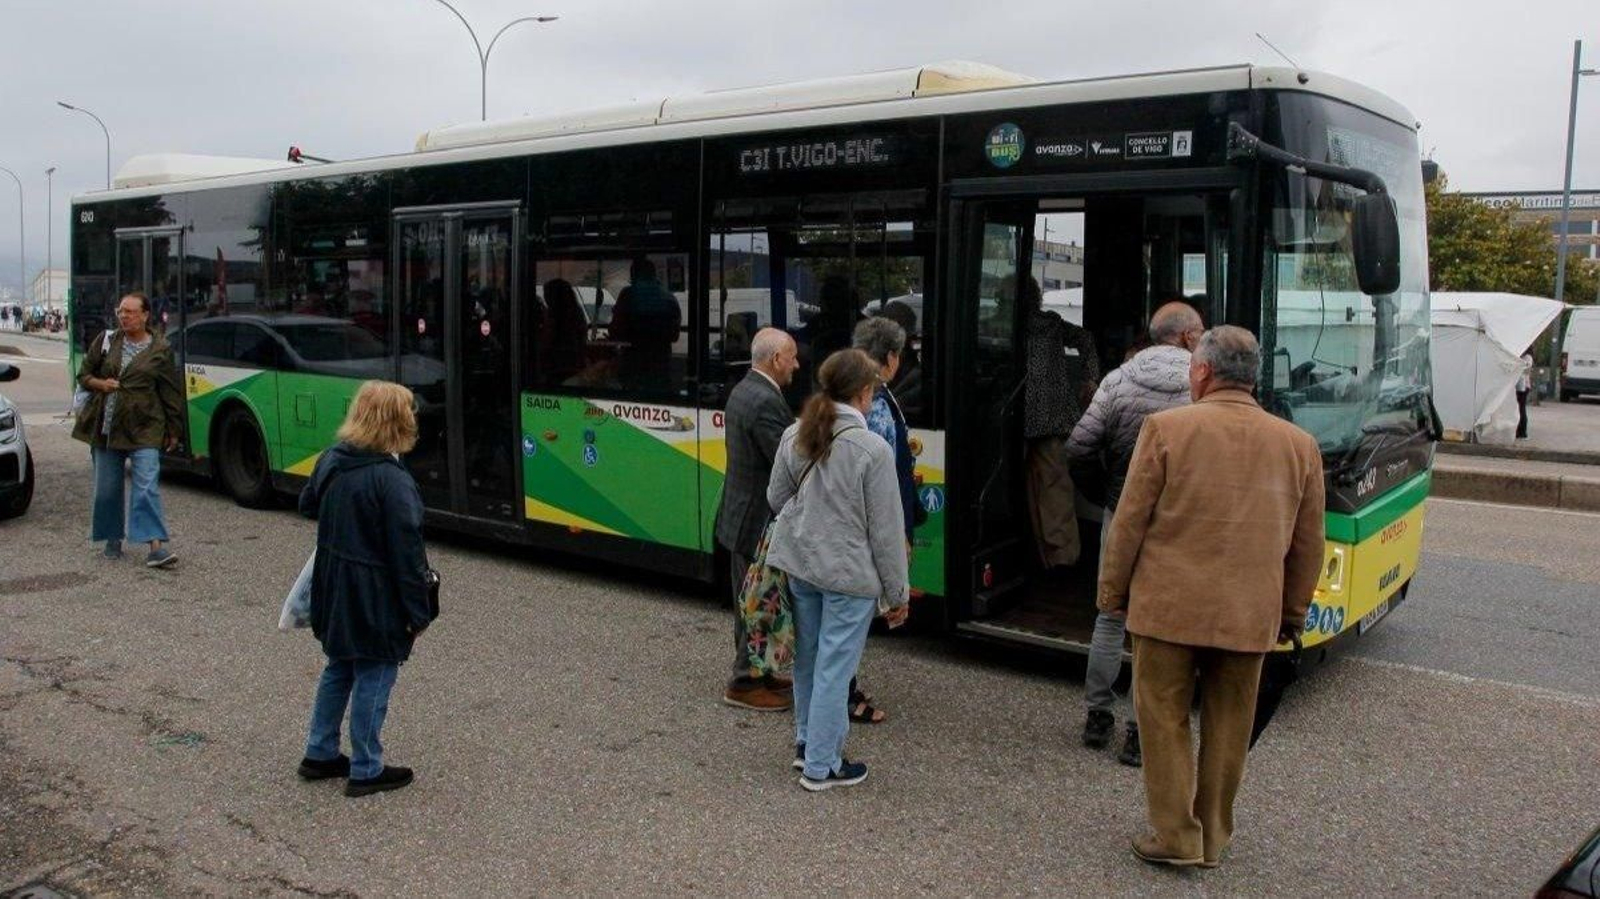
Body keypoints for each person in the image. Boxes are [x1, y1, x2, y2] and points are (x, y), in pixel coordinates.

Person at [1099, 326, 1324, 868]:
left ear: (1200, 372)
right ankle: (1215, 835)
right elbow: (1307, 543)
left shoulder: (1167, 429)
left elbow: (1129, 522)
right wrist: (1292, 613)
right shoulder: (1299, 445)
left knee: (1163, 716)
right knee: (1229, 723)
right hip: (1250, 614)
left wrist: (1112, 592)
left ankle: (1176, 835)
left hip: (1167, 610)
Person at [766, 349, 910, 790]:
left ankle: (807, 744)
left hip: (802, 564)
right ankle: (822, 766)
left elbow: (776, 497)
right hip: (848, 575)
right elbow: (886, 532)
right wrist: (897, 594)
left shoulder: (797, 432)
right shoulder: (872, 449)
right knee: (836, 668)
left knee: (810, 659)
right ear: (864, 393)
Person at [1067, 301, 1203, 765]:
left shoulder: (1118, 379)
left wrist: (1106, 492)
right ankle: (1141, 733)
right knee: (1163, 628)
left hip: (1120, 512)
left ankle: (1097, 715)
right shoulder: (1204, 384)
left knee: (1111, 614)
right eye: (1199, 331)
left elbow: (1080, 446)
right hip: (1182, 521)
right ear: (1187, 338)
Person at [296, 380, 435, 798]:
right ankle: (367, 767)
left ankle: (319, 752)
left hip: (334, 583)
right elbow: (407, 555)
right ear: (397, 420)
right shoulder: (391, 480)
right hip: (374, 593)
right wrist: (418, 613)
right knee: (377, 669)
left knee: (339, 664)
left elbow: (308, 504)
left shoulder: (333, 459)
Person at [715, 327, 801, 711]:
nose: (797, 365)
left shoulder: (744, 388)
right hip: (754, 521)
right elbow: (786, 463)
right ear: (776, 359)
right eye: (793, 357)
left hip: (740, 515)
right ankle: (743, 683)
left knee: (752, 601)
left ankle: (761, 672)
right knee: (753, 603)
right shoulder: (766, 401)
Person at [73, 292, 185, 568]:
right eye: (121, 311)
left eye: (130, 312)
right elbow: (84, 376)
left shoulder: (160, 349)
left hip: (145, 427)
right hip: (107, 427)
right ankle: (112, 536)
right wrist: (102, 384)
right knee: (107, 489)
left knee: (146, 486)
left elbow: (170, 392)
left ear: (146, 315)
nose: (123, 316)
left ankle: (155, 546)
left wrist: (174, 429)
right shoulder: (107, 340)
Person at [849, 315, 923, 725]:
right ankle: (843, 696)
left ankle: (842, 689)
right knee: (852, 618)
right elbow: (878, 484)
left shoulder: (870, 392)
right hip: (868, 532)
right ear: (892, 356)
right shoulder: (874, 401)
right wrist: (898, 536)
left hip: (867, 528)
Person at [1022, 275, 1099, 569]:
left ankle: (1034, 552)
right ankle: (1061, 557)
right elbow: (1086, 339)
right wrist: (1090, 378)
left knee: (1025, 489)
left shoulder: (998, 326)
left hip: (1017, 416)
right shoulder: (1051, 323)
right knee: (1054, 489)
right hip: (1054, 415)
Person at [609, 257, 681, 386]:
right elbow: (675, 336)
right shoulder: (669, 298)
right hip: (661, 366)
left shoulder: (628, 295)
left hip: (633, 366)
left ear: (633, 276)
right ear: (654, 274)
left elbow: (616, 330)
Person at [1516, 353, 1533, 439]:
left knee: (1521, 408)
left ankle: (1522, 431)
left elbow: (1526, 370)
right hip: (1519, 385)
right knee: (1519, 408)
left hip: (1524, 386)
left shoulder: (1527, 357)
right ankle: (1519, 430)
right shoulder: (1523, 356)